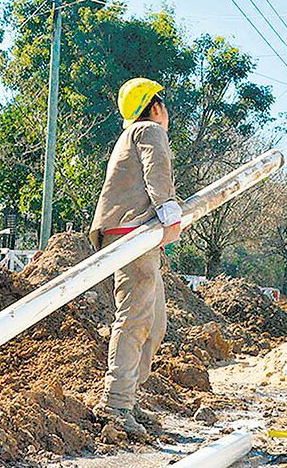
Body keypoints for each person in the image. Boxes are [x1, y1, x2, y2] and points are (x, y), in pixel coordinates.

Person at [88, 78, 182, 437]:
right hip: (131, 237)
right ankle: (116, 404)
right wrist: (170, 214)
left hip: (135, 238)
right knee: (135, 321)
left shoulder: (132, 132)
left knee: (154, 323)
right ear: (155, 106)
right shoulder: (149, 130)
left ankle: (127, 397)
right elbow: (156, 169)